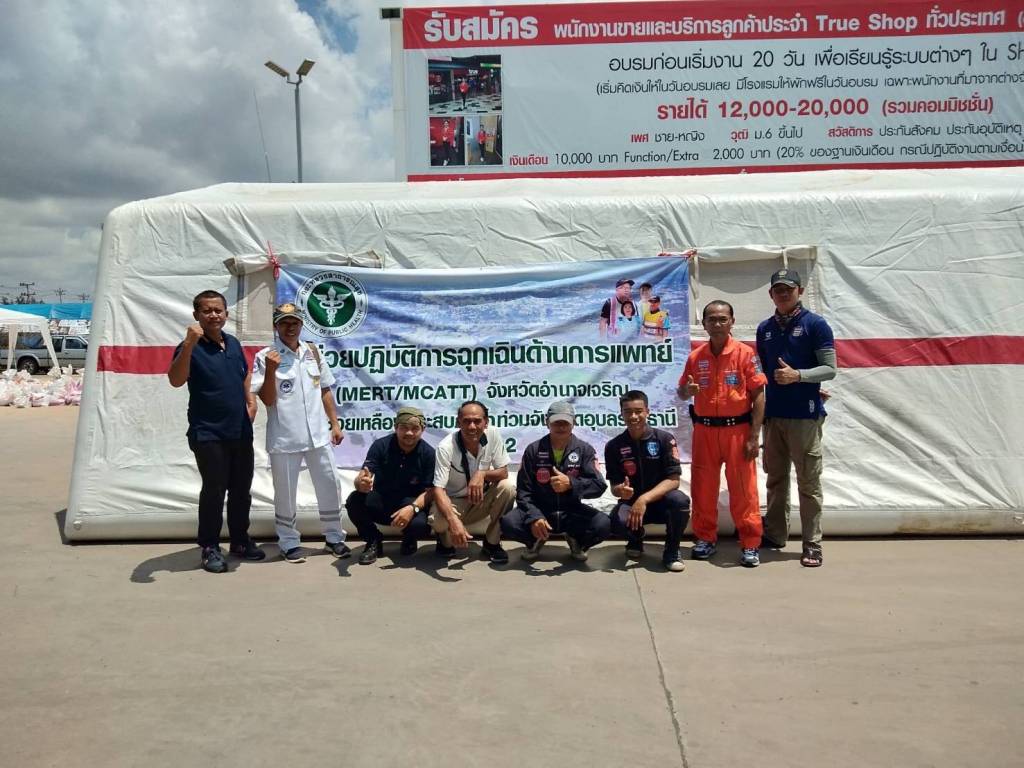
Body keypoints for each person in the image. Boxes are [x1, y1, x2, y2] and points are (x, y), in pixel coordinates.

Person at [167, 290, 264, 573]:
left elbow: (244, 374)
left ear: (226, 314)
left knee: (241, 490)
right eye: (207, 311)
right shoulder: (190, 346)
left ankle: (239, 540)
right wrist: (189, 343)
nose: (213, 315)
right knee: (214, 490)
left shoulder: (232, 343)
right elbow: (175, 379)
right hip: (208, 432)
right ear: (196, 315)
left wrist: (250, 401)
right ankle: (209, 546)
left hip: (240, 430)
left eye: (218, 310)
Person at [251, 303, 349, 564]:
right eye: (284, 323)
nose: (290, 327)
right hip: (285, 437)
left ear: (302, 324)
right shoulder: (265, 356)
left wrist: (335, 423)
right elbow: (267, 399)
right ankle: (289, 542)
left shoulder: (312, 351)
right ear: (276, 326)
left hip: (318, 435)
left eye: (294, 322)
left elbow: (325, 389)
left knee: (330, 485)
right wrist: (271, 371)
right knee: (285, 492)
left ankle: (334, 538)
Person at [756, 269, 837, 567]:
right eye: (778, 289)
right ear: (771, 294)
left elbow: (830, 369)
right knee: (775, 479)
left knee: (808, 482)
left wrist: (799, 376)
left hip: (805, 416)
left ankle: (812, 543)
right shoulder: (764, 329)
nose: (783, 294)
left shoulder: (816, 324)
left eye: (788, 289)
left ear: (800, 291)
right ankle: (776, 534)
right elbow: (764, 373)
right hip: (774, 416)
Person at [679, 300, 766, 567]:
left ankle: (750, 543)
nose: (717, 324)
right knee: (703, 488)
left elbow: (759, 395)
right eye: (712, 319)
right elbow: (682, 391)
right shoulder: (696, 357)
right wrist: (687, 391)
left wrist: (754, 436)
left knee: (744, 490)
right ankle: (705, 538)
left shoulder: (745, 354)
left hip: (737, 431)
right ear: (704, 324)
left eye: (722, 319)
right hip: (704, 431)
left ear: (732, 322)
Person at [500, 400, 610, 561]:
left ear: (574, 423)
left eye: (565, 422)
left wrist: (571, 484)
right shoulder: (533, 450)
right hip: (541, 508)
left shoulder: (584, 450)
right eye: (556, 422)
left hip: (571, 510)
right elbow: (523, 492)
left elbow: (598, 486)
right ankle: (534, 541)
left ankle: (576, 541)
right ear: (547, 423)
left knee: (603, 524)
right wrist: (534, 516)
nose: (561, 427)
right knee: (509, 523)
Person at [604, 390, 689, 572]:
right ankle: (635, 538)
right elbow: (614, 486)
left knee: (680, 501)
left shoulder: (664, 439)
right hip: (632, 506)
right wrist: (621, 490)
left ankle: (672, 550)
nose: (633, 416)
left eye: (638, 411)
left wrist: (644, 499)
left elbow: (673, 480)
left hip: (660, 504)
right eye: (628, 412)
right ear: (621, 414)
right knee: (613, 522)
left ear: (647, 412)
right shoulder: (613, 446)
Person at [347, 406, 435, 565]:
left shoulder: (428, 453)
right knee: (354, 500)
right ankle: (373, 540)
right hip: (382, 501)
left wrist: (413, 509)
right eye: (404, 428)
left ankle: (409, 538)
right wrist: (361, 483)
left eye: (415, 428)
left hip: (410, 504)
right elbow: (364, 475)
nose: (409, 433)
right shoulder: (381, 445)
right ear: (395, 427)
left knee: (421, 525)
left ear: (423, 429)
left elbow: (430, 492)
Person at [431, 400, 515, 564]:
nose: (472, 427)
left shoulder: (493, 434)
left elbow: (503, 472)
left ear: (486, 422)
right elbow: (438, 489)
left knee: (508, 488)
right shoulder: (445, 447)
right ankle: (444, 539)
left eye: (477, 421)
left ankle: (492, 543)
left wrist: (482, 474)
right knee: (438, 521)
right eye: (466, 421)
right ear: (458, 423)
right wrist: (453, 520)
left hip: (480, 499)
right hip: (454, 502)